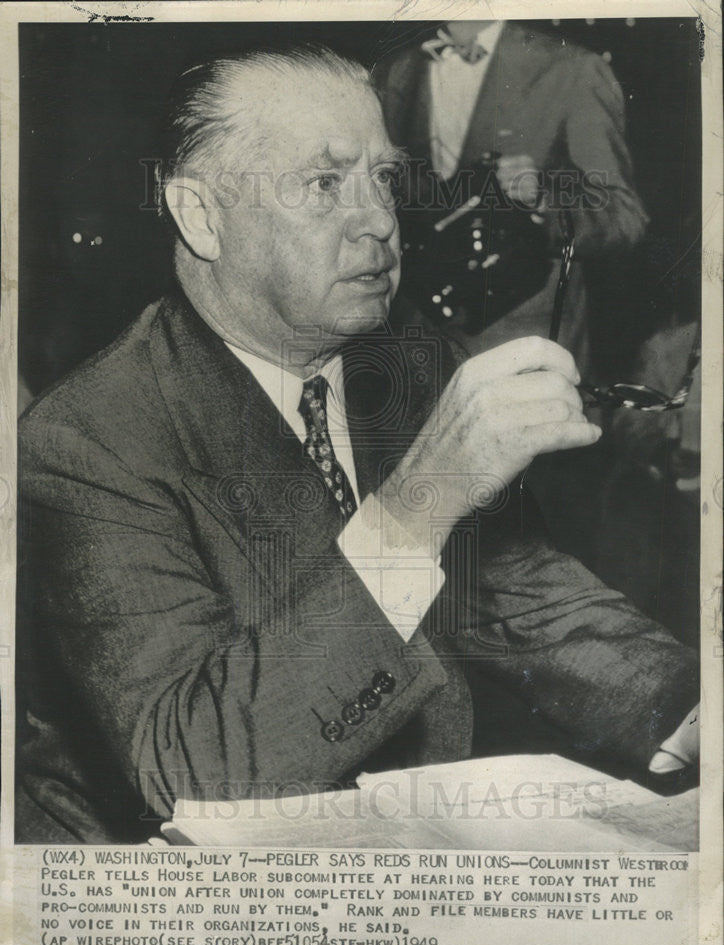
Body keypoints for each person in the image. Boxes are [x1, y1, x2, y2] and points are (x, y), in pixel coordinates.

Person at [16, 46, 698, 845]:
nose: (380, 219)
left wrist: (691, 706)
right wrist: (421, 503)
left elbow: (525, 597)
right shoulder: (88, 439)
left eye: (383, 178)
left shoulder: (406, 364)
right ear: (201, 217)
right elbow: (192, 770)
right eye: (324, 183)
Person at [374, 20, 649, 371]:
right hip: (415, 345)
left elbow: (624, 215)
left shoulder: (573, 68)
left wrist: (542, 199)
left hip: (522, 344)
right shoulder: (395, 71)